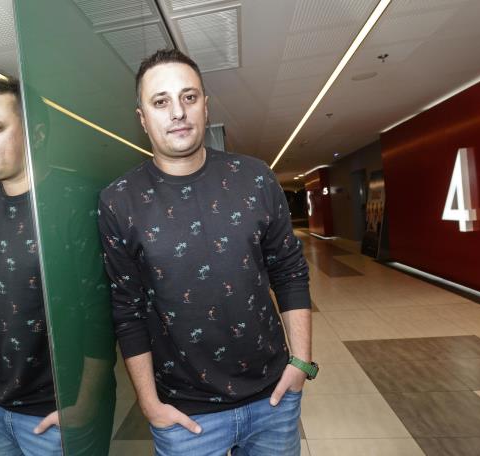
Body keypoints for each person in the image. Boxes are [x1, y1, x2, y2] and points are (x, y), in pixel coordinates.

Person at [98, 49, 317, 456]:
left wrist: (300, 363)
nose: (177, 112)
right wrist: (149, 404)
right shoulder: (119, 201)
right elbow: (127, 309)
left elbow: (289, 272)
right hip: (185, 414)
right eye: (160, 101)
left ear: (205, 105)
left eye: (189, 97)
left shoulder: (254, 178)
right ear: (143, 118)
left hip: (272, 398)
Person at [0, 79, 60, 455]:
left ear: (37, 133)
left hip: (53, 414)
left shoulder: (72, 203)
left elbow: (102, 314)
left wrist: (83, 403)